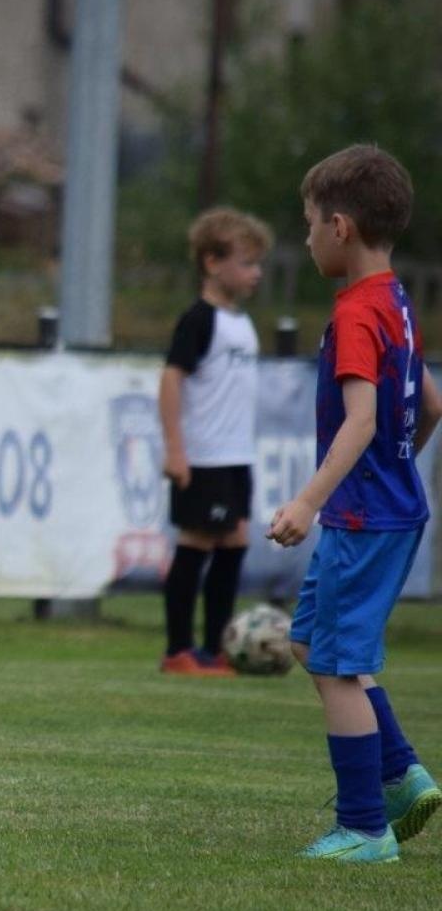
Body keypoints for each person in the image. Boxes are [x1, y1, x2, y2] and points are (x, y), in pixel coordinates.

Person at [269, 144, 442, 863]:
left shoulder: (355, 316)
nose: (306, 237)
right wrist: (402, 466)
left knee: (338, 664)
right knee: (313, 642)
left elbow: (363, 419)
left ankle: (366, 827)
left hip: (363, 516)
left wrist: (309, 500)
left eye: (308, 223)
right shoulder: (396, 301)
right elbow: (429, 402)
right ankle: (400, 773)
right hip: (392, 508)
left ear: (339, 227)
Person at [157, 208, 273, 676]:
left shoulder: (241, 324)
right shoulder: (199, 320)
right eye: (246, 263)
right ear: (212, 263)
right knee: (197, 541)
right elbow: (170, 380)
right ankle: (179, 650)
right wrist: (176, 449)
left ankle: (216, 648)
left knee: (236, 540)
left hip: (236, 456)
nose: (256, 273)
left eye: (256, 263)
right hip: (203, 456)